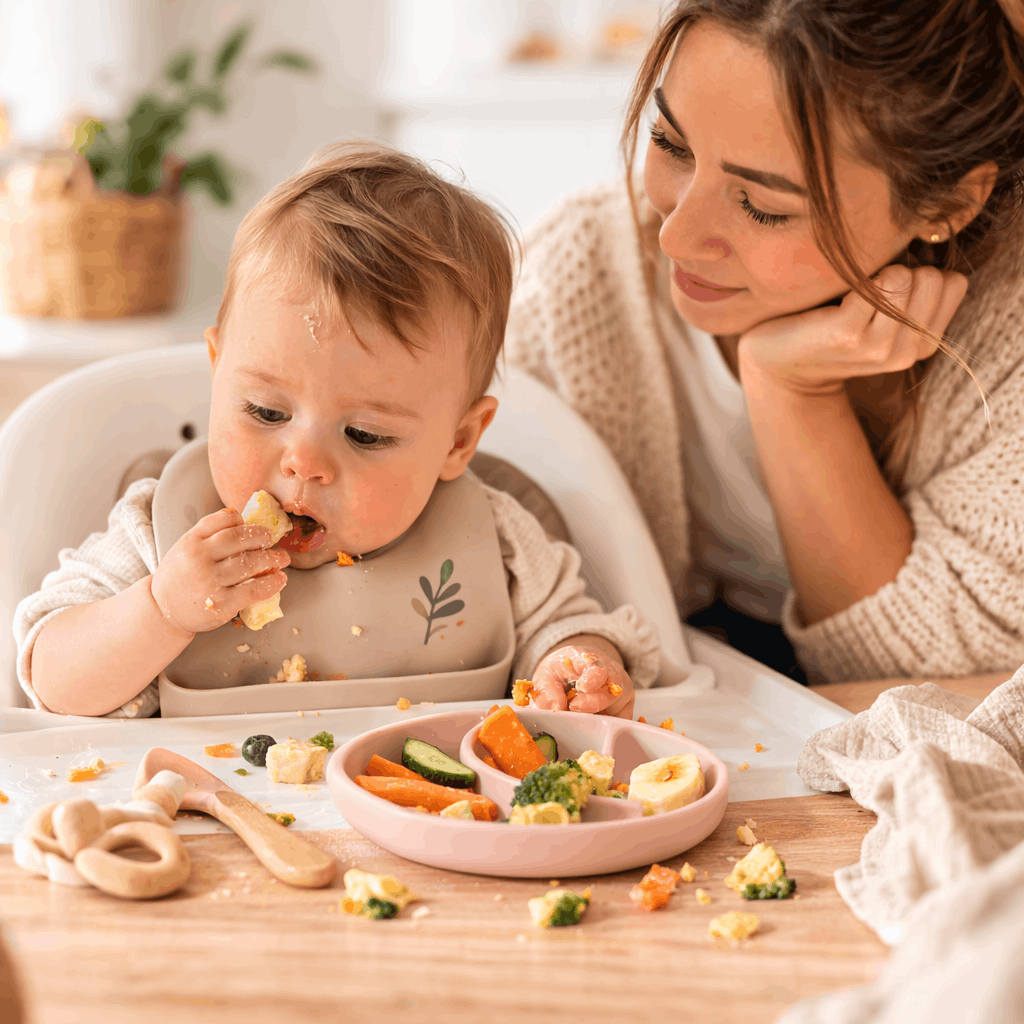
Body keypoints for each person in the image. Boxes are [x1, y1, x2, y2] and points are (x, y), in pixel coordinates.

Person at [15, 141, 657, 718]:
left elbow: (566, 629)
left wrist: (575, 664)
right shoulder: (159, 538)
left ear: (459, 442)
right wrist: (160, 609)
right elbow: (50, 679)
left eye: (367, 435)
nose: (304, 462)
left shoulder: (501, 543)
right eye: (266, 413)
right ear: (218, 375)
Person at [506, 0, 1024, 684]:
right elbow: (502, 591)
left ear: (946, 205)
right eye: (670, 143)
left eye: (764, 206)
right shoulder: (581, 275)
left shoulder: (1007, 338)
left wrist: (793, 390)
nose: (675, 237)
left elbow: (940, 692)